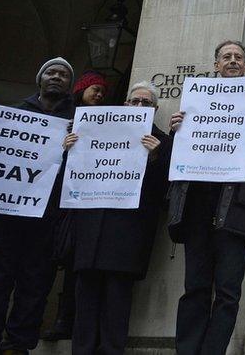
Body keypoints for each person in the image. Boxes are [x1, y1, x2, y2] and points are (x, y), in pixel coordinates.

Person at [167, 40, 245, 355]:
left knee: (228, 292)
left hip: (235, 213)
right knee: (194, 287)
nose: (232, 61)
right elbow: (177, 160)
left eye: (238, 57)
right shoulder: (195, 102)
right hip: (196, 210)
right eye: (226, 57)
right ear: (216, 65)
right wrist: (175, 131)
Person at [0, 57, 75, 355]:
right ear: (40, 80)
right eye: (51, 72)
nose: (57, 77)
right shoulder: (9, 114)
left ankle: (17, 346)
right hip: (1, 217)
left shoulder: (78, 121)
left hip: (46, 220)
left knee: (35, 287)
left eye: (64, 75)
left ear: (69, 84)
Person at [60, 81, 172, 355]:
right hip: (91, 230)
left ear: (155, 109)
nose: (139, 106)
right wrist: (68, 150)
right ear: (125, 105)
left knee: (117, 300)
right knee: (85, 297)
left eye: (146, 103)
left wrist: (156, 157)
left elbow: (166, 192)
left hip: (128, 234)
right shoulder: (94, 130)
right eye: (134, 101)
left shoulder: (163, 142)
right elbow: (71, 179)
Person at [43, 70, 110, 342]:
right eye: (95, 88)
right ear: (80, 89)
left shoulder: (103, 121)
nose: (99, 94)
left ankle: (66, 320)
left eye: (103, 91)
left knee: (74, 265)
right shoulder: (63, 116)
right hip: (58, 201)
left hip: (83, 202)